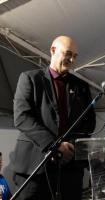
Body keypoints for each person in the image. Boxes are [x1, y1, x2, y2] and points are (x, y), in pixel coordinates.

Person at [11, 35, 96, 200]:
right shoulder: (30, 78)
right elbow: (22, 117)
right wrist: (54, 145)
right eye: (68, 53)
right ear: (53, 50)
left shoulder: (82, 87)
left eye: (75, 56)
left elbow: (89, 124)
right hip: (35, 168)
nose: (71, 59)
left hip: (70, 169)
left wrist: (69, 146)